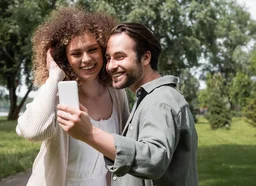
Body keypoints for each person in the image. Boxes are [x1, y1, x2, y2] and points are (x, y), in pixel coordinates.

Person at [56, 23, 198, 186]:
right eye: (108, 58)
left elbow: (152, 160)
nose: (110, 66)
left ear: (145, 58)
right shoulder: (150, 99)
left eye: (120, 57)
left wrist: (89, 133)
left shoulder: (160, 102)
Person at [16, 7, 130, 186]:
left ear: (103, 50)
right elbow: (32, 131)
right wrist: (54, 76)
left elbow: (123, 148)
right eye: (76, 53)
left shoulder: (116, 92)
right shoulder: (58, 94)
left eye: (92, 49)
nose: (86, 60)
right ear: (64, 58)